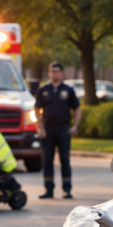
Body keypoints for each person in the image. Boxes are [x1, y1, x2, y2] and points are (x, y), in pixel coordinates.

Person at [35, 61, 81, 199]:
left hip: (63, 129)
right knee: (47, 160)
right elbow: (36, 109)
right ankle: (48, 189)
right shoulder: (43, 90)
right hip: (48, 128)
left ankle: (67, 189)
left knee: (65, 160)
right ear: (49, 73)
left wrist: (75, 126)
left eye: (57, 71)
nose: (55, 73)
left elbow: (77, 108)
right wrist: (40, 126)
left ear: (61, 73)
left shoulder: (68, 90)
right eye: (52, 71)